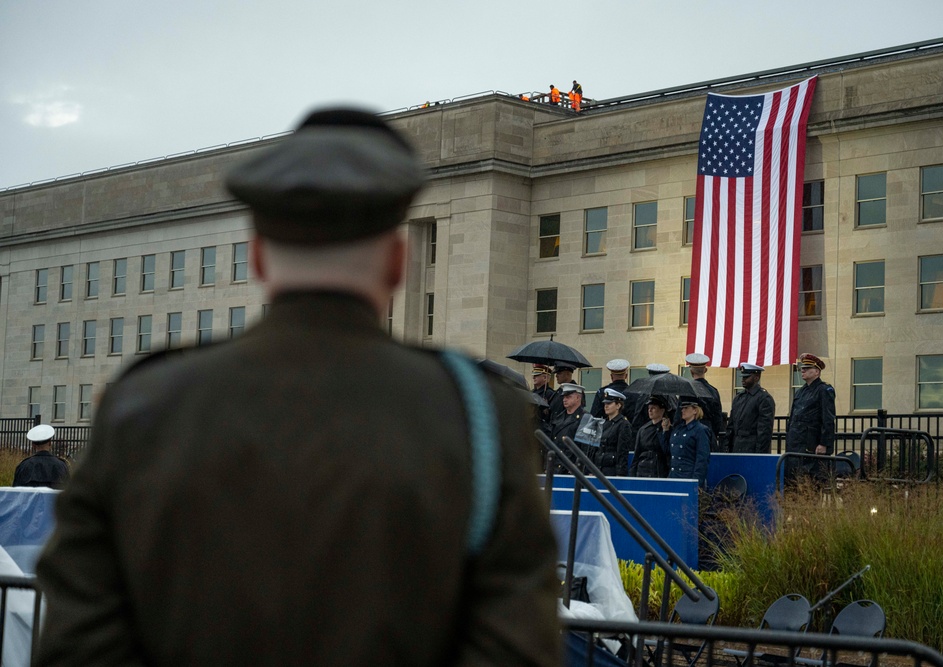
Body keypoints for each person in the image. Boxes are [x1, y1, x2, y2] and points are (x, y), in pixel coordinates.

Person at [34, 108, 560, 666]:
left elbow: (78, 646)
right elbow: (516, 649)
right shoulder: (476, 414)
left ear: (259, 257)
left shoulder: (144, 403)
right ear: (398, 262)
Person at [786, 353, 837, 483]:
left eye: (807, 368)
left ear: (816, 372)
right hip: (796, 444)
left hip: (812, 444)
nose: (802, 370)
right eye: (802, 368)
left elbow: (828, 419)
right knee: (793, 481)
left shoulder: (824, 390)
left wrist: (824, 443)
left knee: (811, 482)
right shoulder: (800, 392)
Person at [726, 363, 776, 454]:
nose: (743, 380)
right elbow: (731, 426)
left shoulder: (764, 398)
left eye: (746, 377)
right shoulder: (739, 398)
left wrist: (759, 454)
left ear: (756, 377)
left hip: (752, 448)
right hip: (737, 447)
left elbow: (764, 431)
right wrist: (727, 448)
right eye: (743, 377)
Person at [668, 396, 712, 489]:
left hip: (687, 476)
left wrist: (696, 482)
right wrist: (664, 432)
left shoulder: (701, 430)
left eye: (686, 408)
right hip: (674, 476)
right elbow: (669, 450)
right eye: (682, 408)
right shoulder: (678, 429)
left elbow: (702, 458)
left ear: (695, 410)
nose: (683, 410)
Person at [685, 353, 724, 452]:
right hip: (709, 434)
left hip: (689, 436)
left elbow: (679, 416)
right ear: (705, 370)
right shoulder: (713, 391)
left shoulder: (686, 391)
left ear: (691, 371)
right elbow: (718, 418)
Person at [12, 424, 69, 489]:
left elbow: (16, 493)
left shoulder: (24, 466)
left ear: (33, 445)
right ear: (50, 443)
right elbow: (68, 492)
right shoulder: (61, 465)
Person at [592, 388, 633, 476]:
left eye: (609, 403)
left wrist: (620, 474)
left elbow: (622, 451)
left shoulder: (623, 424)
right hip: (599, 468)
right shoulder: (603, 423)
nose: (606, 406)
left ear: (618, 405)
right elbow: (597, 449)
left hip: (612, 470)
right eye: (605, 403)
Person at [549, 383, 588, 472]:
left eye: (568, 397)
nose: (564, 400)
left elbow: (587, 449)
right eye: (564, 397)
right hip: (555, 467)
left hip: (572, 467)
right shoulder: (558, 417)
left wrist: (583, 468)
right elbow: (551, 443)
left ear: (578, 398)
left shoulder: (586, 418)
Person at [630, 394, 671, 477]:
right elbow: (637, 454)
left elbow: (667, 451)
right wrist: (632, 474)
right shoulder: (643, 429)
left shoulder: (668, 429)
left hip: (659, 471)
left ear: (662, 410)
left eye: (653, 408)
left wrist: (664, 431)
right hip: (643, 469)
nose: (650, 410)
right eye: (649, 408)